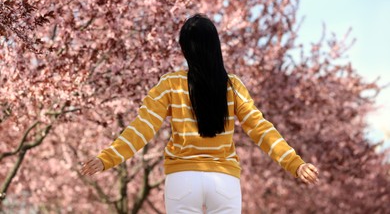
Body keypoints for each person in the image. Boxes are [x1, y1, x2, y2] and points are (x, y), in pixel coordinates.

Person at [80, 13, 320, 213]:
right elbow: (260, 128)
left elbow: (141, 128)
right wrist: (294, 163)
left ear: (184, 49)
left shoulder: (170, 84)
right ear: (216, 46)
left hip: (182, 179)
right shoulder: (233, 86)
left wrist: (107, 158)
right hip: (224, 181)